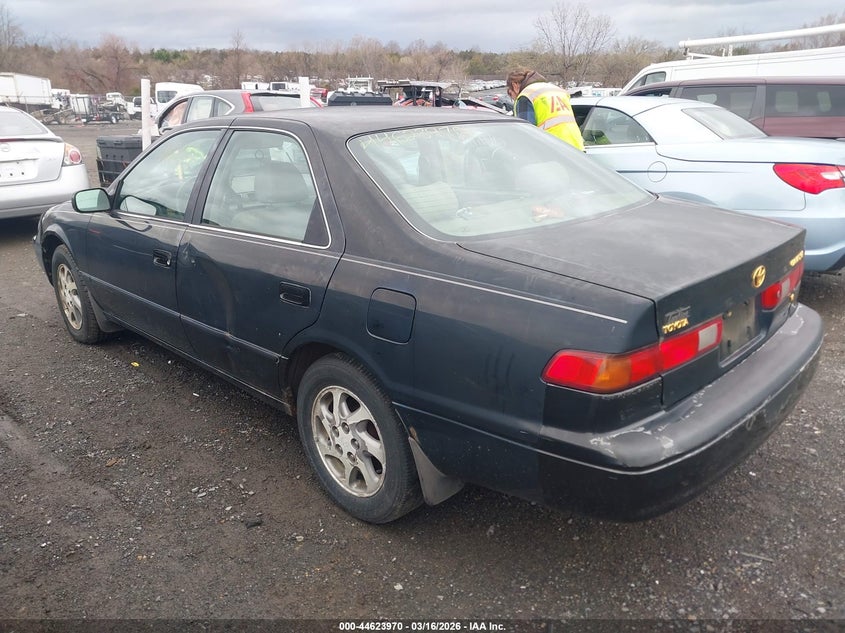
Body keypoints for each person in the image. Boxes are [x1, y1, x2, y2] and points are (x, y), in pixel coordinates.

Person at [506, 69, 584, 151]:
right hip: (576, 146)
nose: (514, 99)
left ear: (514, 85)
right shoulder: (555, 89)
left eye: (511, 94)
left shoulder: (526, 96)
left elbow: (526, 135)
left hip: (553, 149)